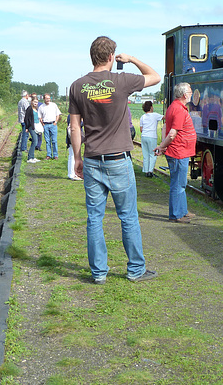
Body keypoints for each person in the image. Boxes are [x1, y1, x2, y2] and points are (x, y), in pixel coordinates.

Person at [69, 35, 160, 284]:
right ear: (111, 57)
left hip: (92, 158)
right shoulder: (121, 80)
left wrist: (77, 158)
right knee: (128, 217)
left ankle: (98, 273)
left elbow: (75, 128)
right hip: (119, 160)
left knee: (94, 218)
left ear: (91, 57)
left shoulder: (77, 86)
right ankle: (135, 270)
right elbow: (155, 76)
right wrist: (130, 59)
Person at [154, 82, 197, 224]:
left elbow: (166, 127)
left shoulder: (174, 107)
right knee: (178, 185)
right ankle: (176, 215)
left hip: (180, 152)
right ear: (185, 95)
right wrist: (162, 146)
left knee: (180, 184)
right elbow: (172, 134)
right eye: (190, 92)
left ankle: (183, 211)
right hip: (179, 152)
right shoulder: (178, 110)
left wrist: (162, 146)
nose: (191, 94)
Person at [139, 100, 163, 178]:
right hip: (152, 136)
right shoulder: (155, 115)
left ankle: (146, 171)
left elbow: (141, 129)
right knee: (152, 154)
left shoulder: (142, 117)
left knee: (145, 154)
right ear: (151, 107)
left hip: (144, 136)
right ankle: (150, 171)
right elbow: (165, 117)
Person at [38, 93, 61, 160]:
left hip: (53, 124)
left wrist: (55, 122)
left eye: (49, 98)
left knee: (54, 141)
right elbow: (40, 117)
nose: (48, 99)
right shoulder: (41, 107)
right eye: (47, 98)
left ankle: (55, 155)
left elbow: (58, 114)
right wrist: (43, 124)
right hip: (45, 125)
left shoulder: (54, 105)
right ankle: (48, 155)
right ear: (44, 99)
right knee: (47, 141)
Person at [24, 97, 42, 164]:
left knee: (35, 141)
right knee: (34, 141)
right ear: (31, 101)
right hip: (31, 127)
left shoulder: (36, 109)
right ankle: (29, 158)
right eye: (34, 102)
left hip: (37, 126)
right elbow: (26, 118)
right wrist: (27, 127)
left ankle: (32, 157)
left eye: (36, 102)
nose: (35, 103)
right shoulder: (29, 108)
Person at [66, 114, 83, 180]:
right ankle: (72, 174)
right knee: (73, 155)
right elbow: (73, 126)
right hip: (73, 138)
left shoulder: (71, 115)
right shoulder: (72, 116)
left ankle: (72, 173)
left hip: (73, 137)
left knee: (72, 155)